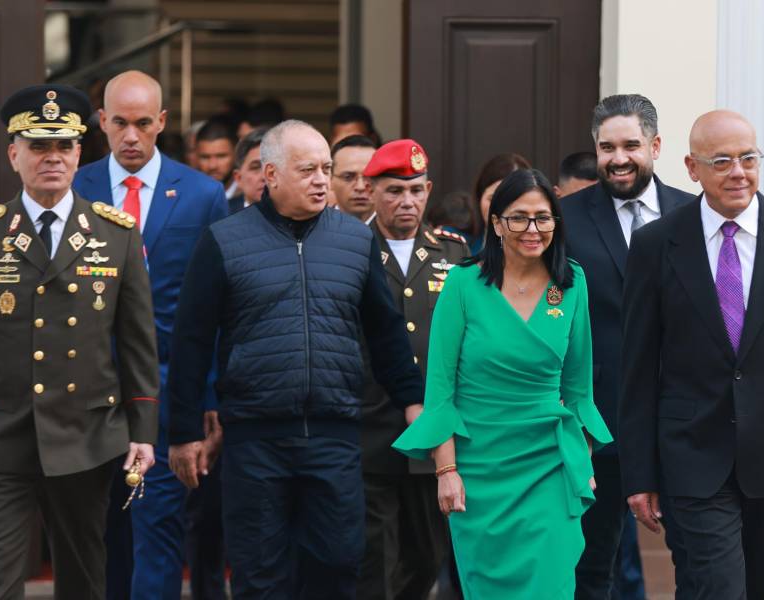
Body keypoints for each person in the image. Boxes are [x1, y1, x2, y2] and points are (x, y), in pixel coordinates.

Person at [167, 119, 424, 599]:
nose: (322, 180)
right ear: (271, 174)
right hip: (255, 440)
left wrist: (412, 400)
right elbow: (191, 341)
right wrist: (182, 432)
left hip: (334, 435)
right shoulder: (223, 241)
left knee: (338, 565)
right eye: (308, 170)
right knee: (261, 575)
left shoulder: (355, 239)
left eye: (327, 168)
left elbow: (385, 331)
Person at [393, 168, 612, 598]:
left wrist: (581, 459)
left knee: (550, 586)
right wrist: (447, 470)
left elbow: (579, 388)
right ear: (496, 223)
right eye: (519, 217)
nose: (532, 229)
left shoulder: (571, 285)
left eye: (543, 218)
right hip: (479, 470)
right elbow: (440, 393)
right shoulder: (462, 284)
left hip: (549, 463)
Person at [0, 84, 159, 600]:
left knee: (84, 576)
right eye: (39, 146)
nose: (53, 158)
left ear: (81, 152)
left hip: (86, 436)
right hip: (3, 434)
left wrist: (143, 429)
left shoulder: (115, 233)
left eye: (64, 146)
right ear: (13, 153)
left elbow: (136, 342)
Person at [72, 70, 228, 600]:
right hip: (88, 393)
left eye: (143, 123)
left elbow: (214, 310)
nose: (131, 136)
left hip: (166, 392)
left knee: (157, 528)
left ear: (162, 121)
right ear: (102, 122)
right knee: (99, 532)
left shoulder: (204, 195)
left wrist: (207, 398)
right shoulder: (76, 185)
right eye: (120, 123)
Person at [620, 110, 764, 600]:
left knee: (747, 588)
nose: (739, 172)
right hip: (691, 455)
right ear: (692, 168)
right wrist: (639, 474)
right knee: (721, 586)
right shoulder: (656, 243)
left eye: (748, 158)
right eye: (722, 161)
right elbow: (637, 367)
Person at [560, 94, 693, 600]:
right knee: (594, 565)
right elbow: (553, 309)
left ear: (655, 145)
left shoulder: (692, 213)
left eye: (631, 145)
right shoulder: (564, 219)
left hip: (685, 420)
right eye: (607, 146)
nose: (619, 158)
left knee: (700, 560)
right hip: (599, 417)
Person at [357, 139, 469, 600]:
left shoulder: (454, 254)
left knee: (426, 558)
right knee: (373, 561)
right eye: (395, 191)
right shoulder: (348, 246)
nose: (408, 202)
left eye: (417, 190)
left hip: (433, 434)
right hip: (371, 425)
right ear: (370, 189)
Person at [472, 153, 532, 251]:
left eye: (511, 200)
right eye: (492, 198)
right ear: (480, 197)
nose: (500, 207)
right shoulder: (458, 244)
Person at [330, 134, 377, 222]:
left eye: (370, 178)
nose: (360, 187)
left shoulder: (400, 232)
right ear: (330, 180)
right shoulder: (311, 231)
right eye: (348, 177)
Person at [195, 116, 239, 199]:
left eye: (221, 156)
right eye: (205, 157)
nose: (213, 166)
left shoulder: (251, 195)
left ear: (236, 154)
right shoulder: (186, 196)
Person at [229, 127, 269, 213]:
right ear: (238, 178)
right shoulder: (221, 217)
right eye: (255, 167)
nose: (264, 177)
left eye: (273, 168)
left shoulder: (301, 217)